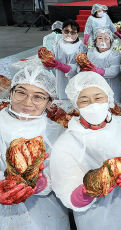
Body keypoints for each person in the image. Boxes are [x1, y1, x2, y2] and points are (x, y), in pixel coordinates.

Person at [50, 71, 121, 230]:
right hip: (98, 218)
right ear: (75, 103)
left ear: (108, 97)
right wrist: (87, 191)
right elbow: (67, 190)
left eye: (98, 98)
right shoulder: (66, 143)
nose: (93, 104)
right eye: (84, 100)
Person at [0, 66, 70, 230]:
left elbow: (63, 175)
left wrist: (43, 182)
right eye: (21, 92)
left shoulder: (56, 133)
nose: (27, 102)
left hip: (44, 212)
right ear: (11, 93)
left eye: (38, 96)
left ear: (49, 101)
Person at [42, 19, 87, 100]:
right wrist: (46, 62)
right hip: (61, 80)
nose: (69, 34)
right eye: (66, 31)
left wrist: (62, 66)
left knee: (75, 99)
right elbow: (50, 63)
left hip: (76, 80)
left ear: (77, 34)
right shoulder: (57, 45)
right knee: (63, 100)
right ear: (62, 31)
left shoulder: (82, 47)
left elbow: (81, 67)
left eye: (73, 32)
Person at [86, 28, 121, 102]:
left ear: (111, 41)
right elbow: (83, 67)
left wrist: (96, 70)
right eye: (100, 38)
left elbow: (114, 71)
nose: (103, 41)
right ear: (95, 41)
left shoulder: (115, 55)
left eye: (106, 38)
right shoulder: (90, 53)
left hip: (112, 89)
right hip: (94, 89)